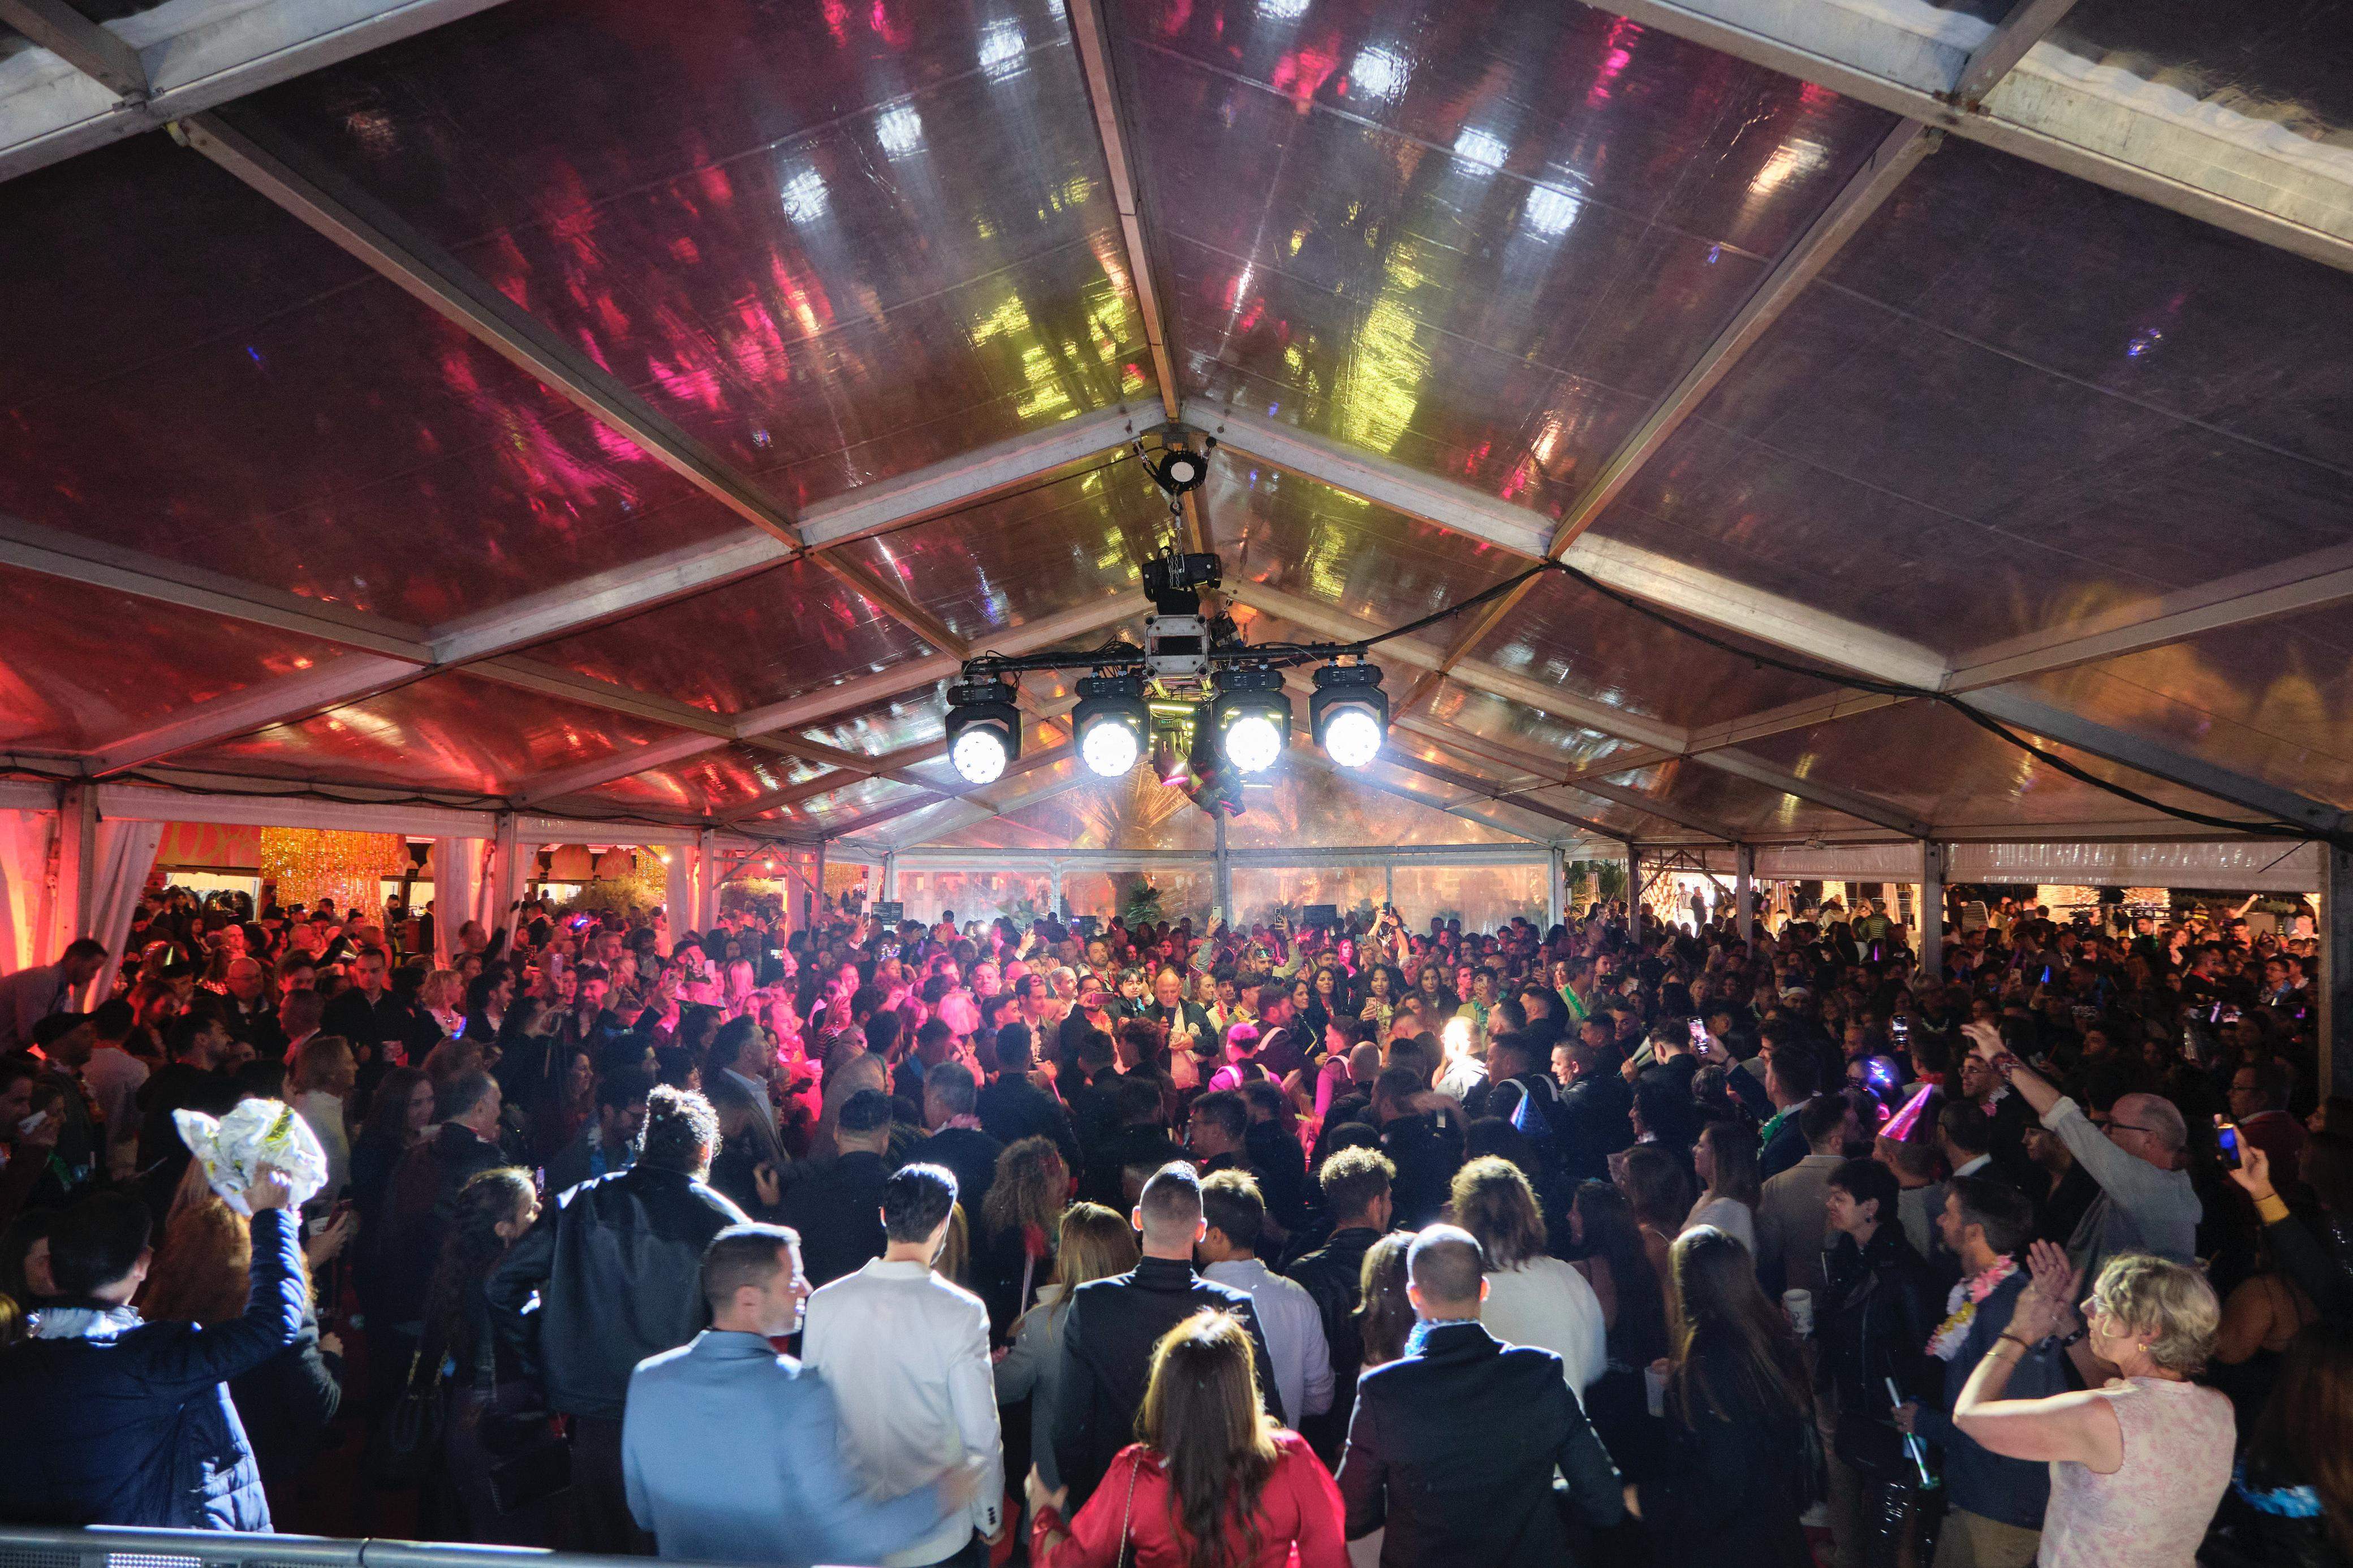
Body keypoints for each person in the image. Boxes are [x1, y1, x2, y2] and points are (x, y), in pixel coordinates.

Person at [486, 1086, 748, 1553]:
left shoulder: (581, 1202)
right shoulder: (723, 1221)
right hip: (679, 1421)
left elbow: (501, 1286)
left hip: (592, 1418)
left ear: (645, 1144)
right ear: (704, 1151)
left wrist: (541, 1358)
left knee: (596, 1544)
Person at [625, 1223, 969, 1567]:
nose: (806, 1288)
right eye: (793, 1280)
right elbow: (851, 1533)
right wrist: (944, 1495)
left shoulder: (647, 1380)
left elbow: (644, 1514)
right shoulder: (800, 1392)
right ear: (748, 1298)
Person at [0, 1169, 301, 1530]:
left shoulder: (13, 1363)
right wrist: (272, 1218)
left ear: (53, 1268)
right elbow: (273, 1324)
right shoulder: (154, 1360)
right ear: (142, 1265)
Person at [1337, 1224, 1621, 1565]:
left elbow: (1351, 1516)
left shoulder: (1382, 1391)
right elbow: (1605, 1503)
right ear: (1483, 1289)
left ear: (1414, 1295)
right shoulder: (1539, 1373)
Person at [1954, 1243, 2233, 1568]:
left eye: (2103, 1303)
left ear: (2149, 1330)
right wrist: (2065, 1324)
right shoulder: (2218, 1408)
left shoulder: (2102, 1416)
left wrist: (2019, 1332)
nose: (2087, 1307)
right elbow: (2129, 1406)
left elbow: (1969, 1416)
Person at [1027, 1308, 1346, 1567]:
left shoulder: (1136, 1473)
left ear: (1166, 1392)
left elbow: (1067, 1562)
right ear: (1244, 1390)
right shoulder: (1290, 1459)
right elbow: (1330, 1559)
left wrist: (1044, 1516)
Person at [803, 1164, 1005, 1567]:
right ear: (944, 1225)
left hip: (853, 1530)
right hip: (939, 1534)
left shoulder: (824, 1302)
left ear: (883, 1216)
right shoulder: (962, 1311)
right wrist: (990, 1516)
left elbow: (814, 1421)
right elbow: (980, 1434)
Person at [1053, 1161, 1282, 1507]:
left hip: (1123, 1504)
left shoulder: (1091, 1303)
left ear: (1137, 1220)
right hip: (1206, 1507)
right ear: (1201, 1230)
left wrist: (1095, 1503)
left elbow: (1070, 1433)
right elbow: (1268, 1418)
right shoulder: (1234, 1307)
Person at [1895, 1178, 2059, 1568]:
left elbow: (2014, 1423)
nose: (1939, 1220)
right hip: (1977, 1496)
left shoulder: (2009, 1307)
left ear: (1974, 1232)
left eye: (1949, 1213)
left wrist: (1927, 1423)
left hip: (2002, 1509)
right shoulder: (1982, 1295)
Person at [1627, 1225, 1815, 1567]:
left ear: (1690, 1289)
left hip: (1736, 1546)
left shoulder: (1708, 1368)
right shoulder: (1767, 1339)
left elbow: (1721, 1486)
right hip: (1779, 1533)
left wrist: (1644, 1499)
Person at [1972, 1031, 2199, 1278]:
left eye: (2114, 1125)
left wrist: (2001, 1059)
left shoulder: (2153, 1189)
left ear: (2149, 1139)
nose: (2104, 1131)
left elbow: (2062, 1115)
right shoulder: (2151, 1184)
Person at [1818, 1155, 1937, 1568]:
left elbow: (1926, 1351)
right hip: (1857, 1408)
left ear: (1871, 1207)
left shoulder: (1902, 1271)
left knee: (1892, 1532)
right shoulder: (1847, 1255)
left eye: (1840, 1197)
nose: (1830, 1204)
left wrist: (1916, 1412)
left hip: (1890, 1418)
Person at [423, 1167, 544, 1544]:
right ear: (503, 1229)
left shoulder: (458, 1271)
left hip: (465, 1413)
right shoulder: (505, 1283)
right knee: (517, 1535)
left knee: (483, 1532)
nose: (539, 1212)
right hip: (504, 1419)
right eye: (530, 1210)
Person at [995, 1204, 1140, 1497]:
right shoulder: (1144, 1314)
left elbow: (1001, 1389)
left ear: (1072, 1259)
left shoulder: (1042, 1324)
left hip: (1060, 1496)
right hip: (1128, 1495)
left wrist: (1003, 1350)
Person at [1449, 1155, 1606, 1396]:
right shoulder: (1569, 1277)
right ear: (1529, 1212)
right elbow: (1594, 1367)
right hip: (1564, 1427)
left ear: (1465, 1217)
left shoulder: (1461, 1294)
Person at [1200, 1169, 1333, 1433]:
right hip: (1278, 1456)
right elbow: (1320, 1399)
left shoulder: (1194, 1300)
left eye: (1198, 1227)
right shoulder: (1297, 1298)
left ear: (1216, 1236)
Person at [1283, 1147, 1394, 1461]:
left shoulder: (1301, 1273)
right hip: (1386, 1422)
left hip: (1320, 1431)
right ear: (1376, 1204)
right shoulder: (1403, 1267)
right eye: (1388, 1197)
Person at [778, 1087, 894, 1288]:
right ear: (885, 1140)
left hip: (816, 1305)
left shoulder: (803, 1187)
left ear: (836, 1133)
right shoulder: (897, 1195)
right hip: (876, 1309)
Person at [1755, 1094, 1850, 1299]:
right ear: (1836, 1141)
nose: (1862, 1131)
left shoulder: (1774, 1188)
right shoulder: (1863, 1181)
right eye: (1856, 1126)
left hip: (1801, 1302)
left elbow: (1767, 1257)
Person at [0, 937, 106, 1052]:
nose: (94, 976)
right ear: (75, 961)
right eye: (93, 969)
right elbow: (30, 1034)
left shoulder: (59, 987)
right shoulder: (42, 981)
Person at [1685, 1119, 1761, 1255]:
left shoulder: (1730, 1210)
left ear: (1720, 1156)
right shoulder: (1707, 1200)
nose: (1695, 1149)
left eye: (1701, 1146)